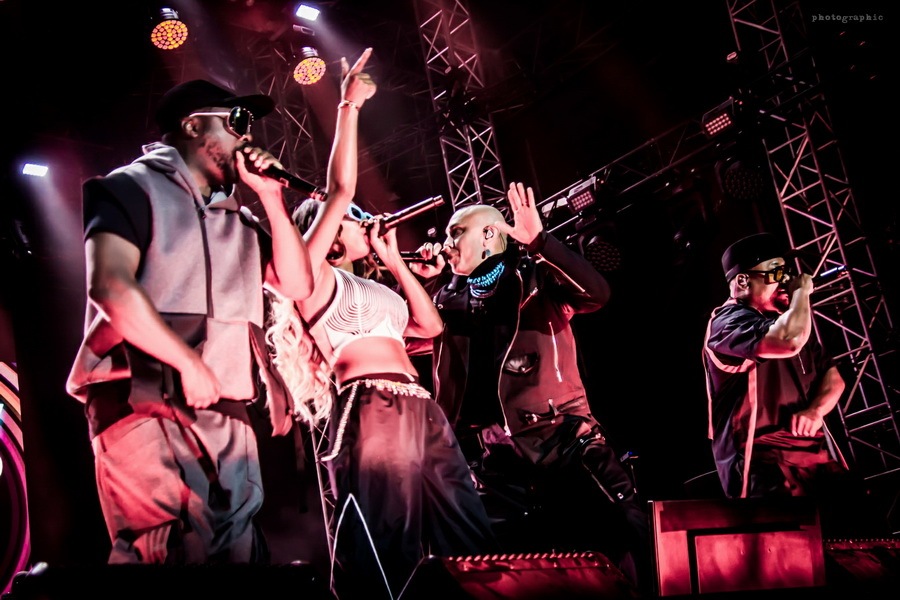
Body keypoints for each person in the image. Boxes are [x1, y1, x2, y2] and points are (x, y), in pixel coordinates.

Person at [264, 49, 497, 600]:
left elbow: (430, 327)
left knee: (467, 531)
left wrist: (394, 261)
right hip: (370, 405)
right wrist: (347, 107)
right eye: (351, 221)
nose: (362, 219)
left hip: (420, 405)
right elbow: (341, 190)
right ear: (324, 231)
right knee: (386, 541)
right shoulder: (313, 278)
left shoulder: (376, 286)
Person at [65, 76, 318, 565]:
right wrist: (186, 361)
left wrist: (271, 198)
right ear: (193, 125)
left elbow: (297, 284)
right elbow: (110, 286)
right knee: (169, 547)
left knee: (236, 548)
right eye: (237, 122)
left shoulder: (241, 222)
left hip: (225, 403)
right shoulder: (127, 187)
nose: (248, 136)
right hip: (141, 394)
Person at [410, 182, 652, 594]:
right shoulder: (447, 301)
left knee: (628, 537)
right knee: (512, 573)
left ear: (489, 234)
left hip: (561, 438)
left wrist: (541, 242)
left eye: (456, 233)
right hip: (491, 462)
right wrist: (428, 285)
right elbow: (402, 335)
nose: (446, 243)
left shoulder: (536, 278)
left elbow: (597, 294)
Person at [703, 232, 878, 537]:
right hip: (762, 461)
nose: (786, 281)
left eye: (786, 272)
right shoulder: (727, 323)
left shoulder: (787, 319)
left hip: (812, 457)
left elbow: (833, 375)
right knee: (795, 549)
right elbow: (789, 340)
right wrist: (802, 295)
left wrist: (815, 410)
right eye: (775, 273)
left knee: (863, 531)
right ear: (743, 281)